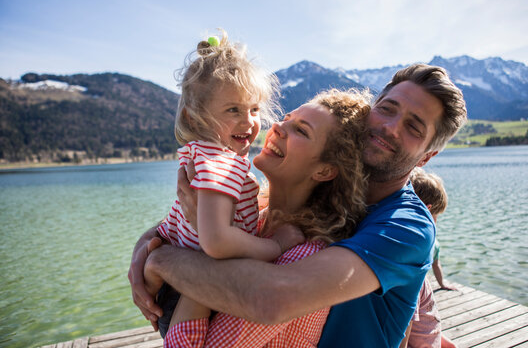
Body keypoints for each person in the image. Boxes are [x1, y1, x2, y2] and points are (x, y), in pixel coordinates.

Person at [128, 63, 467, 347]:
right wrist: (152, 238)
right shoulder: (313, 200)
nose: (390, 127)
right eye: (387, 109)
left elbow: (273, 299)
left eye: (412, 127)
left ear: (427, 156)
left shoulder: (405, 226)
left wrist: (163, 259)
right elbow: (215, 221)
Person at [160, 88, 371, 347]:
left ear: (325, 170)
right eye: (286, 118)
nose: (279, 127)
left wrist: (208, 241)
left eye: (302, 131)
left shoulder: (304, 254)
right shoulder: (256, 219)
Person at [146, 30, 305, 337]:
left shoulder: (202, 154)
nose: (248, 122)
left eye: (254, 109)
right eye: (233, 110)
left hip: (176, 282)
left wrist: (152, 254)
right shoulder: (223, 162)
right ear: (195, 119)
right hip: (193, 292)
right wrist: (276, 245)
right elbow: (216, 241)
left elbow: (184, 221)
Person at [400, 167, 457, 348]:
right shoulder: (415, 271)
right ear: (427, 210)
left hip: (429, 334)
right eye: (436, 217)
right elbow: (407, 322)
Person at [410, 167, 457, 291]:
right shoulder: (429, 242)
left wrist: (442, 284)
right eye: (435, 216)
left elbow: (436, 264)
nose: (435, 222)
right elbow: (436, 264)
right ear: (428, 208)